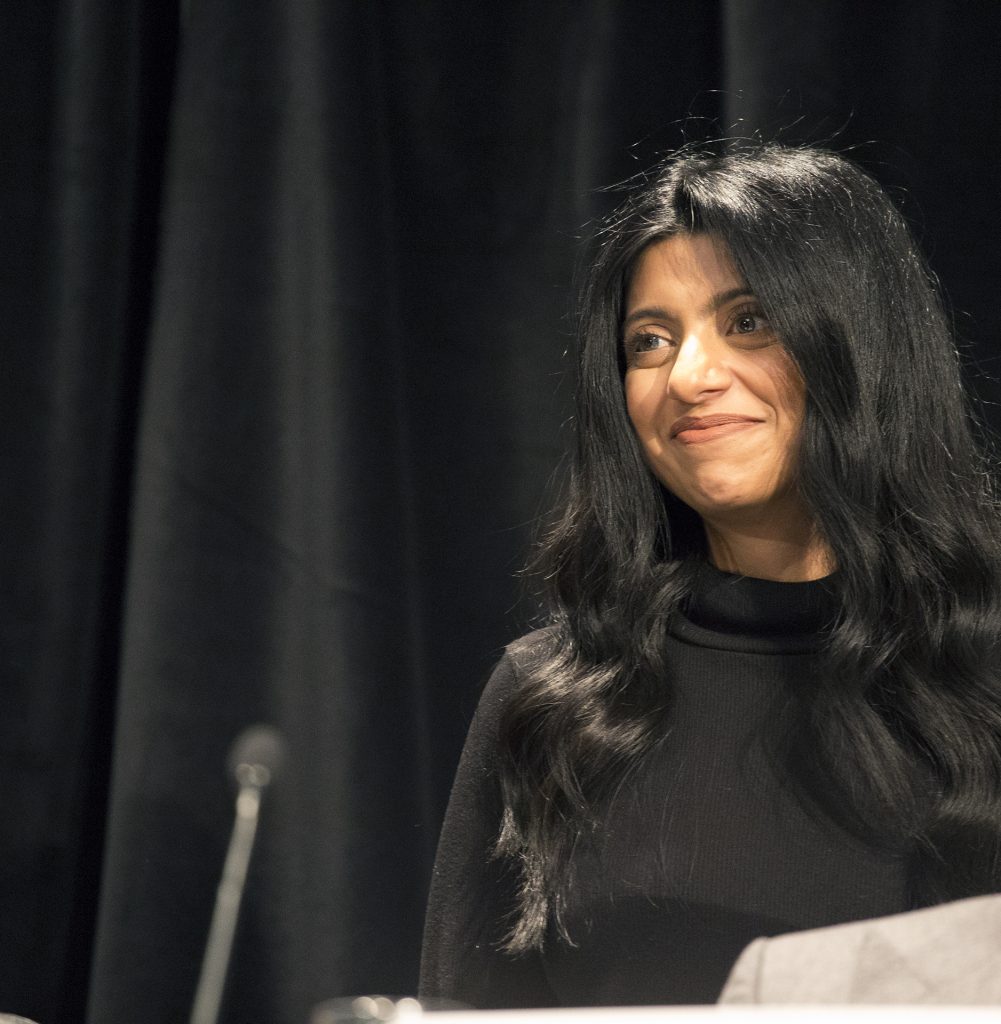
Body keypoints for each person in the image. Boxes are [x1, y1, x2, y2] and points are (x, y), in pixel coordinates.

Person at [419, 144, 1001, 1008]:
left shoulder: (983, 677)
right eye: (649, 341)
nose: (688, 376)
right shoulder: (545, 699)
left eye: (748, 321)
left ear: (862, 349)